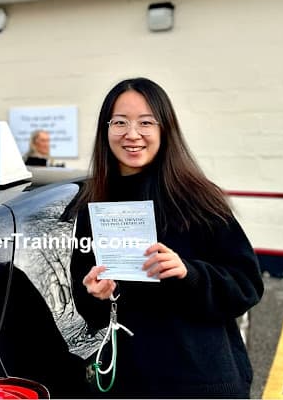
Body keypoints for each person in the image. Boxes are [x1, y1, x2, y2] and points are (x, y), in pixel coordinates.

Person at [70, 77, 263, 399]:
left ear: (164, 129)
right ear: (106, 130)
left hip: (202, 383)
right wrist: (94, 293)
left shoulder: (199, 198)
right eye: (120, 122)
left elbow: (247, 285)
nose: (132, 134)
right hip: (130, 383)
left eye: (146, 122)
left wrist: (189, 273)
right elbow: (88, 302)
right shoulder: (95, 205)